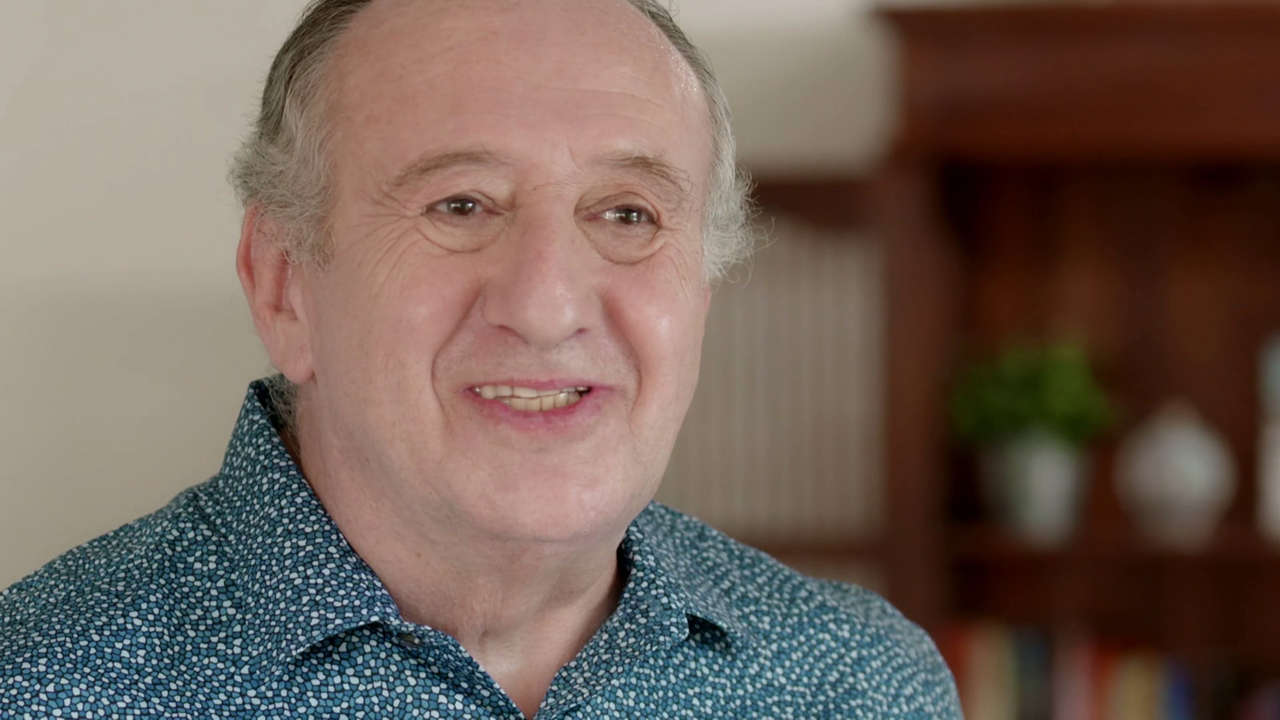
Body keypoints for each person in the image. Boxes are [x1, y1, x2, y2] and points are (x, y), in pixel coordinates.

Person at [0, 0, 961, 717]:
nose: (547, 307)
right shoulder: (43, 686)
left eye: (627, 214)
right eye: (460, 205)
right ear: (283, 284)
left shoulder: (862, 685)